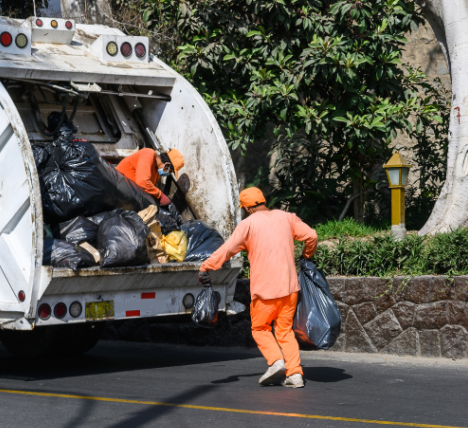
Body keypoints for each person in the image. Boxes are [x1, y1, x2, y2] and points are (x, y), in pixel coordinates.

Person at [198, 187, 317, 388]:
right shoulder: (285, 217)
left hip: (265, 290)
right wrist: (306, 255)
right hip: (289, 288)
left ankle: (275, 361)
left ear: (246, 208)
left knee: (260, 328)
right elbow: (311, 235)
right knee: (285, 331)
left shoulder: (248, 224)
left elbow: (227, 250)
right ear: (263, 201)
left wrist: (206, 267)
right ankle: (295, 374)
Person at [116, 147, 185, 206]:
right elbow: (142, 182)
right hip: (116, 185)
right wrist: (160, 195)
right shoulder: (148, 154)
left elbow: (147, 189)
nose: (168, 173)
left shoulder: (156, 173)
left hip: (126, 193)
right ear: (167, 165)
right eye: (170, 171)